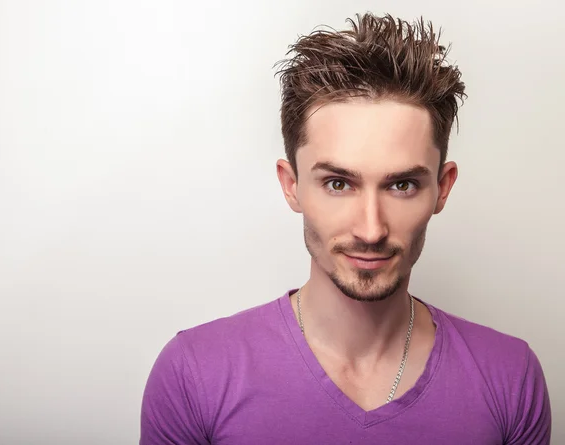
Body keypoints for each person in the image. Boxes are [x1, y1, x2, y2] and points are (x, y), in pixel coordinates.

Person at [139, 12, 551, 444]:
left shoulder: (510, 377)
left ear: (442, 188)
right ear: (292, 185)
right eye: (338, 183)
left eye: (402, 184)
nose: (371, 230)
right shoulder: (195, 372)